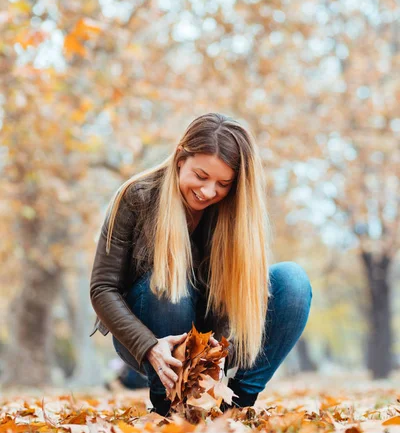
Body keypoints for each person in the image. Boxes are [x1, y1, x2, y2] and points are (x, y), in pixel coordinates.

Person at [90, 113, 312, 416]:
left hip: (216, 338)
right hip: (150, 339)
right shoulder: (136, 196)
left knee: (293, 280)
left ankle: (239, 403)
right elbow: (102, 288)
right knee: (169, 283)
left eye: (223, 183)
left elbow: (242, 296)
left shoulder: (235, 213)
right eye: (201, 176)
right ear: (181, 158)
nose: (209, 192)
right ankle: (168, 404)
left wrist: (219, 355)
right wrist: (149, 346)